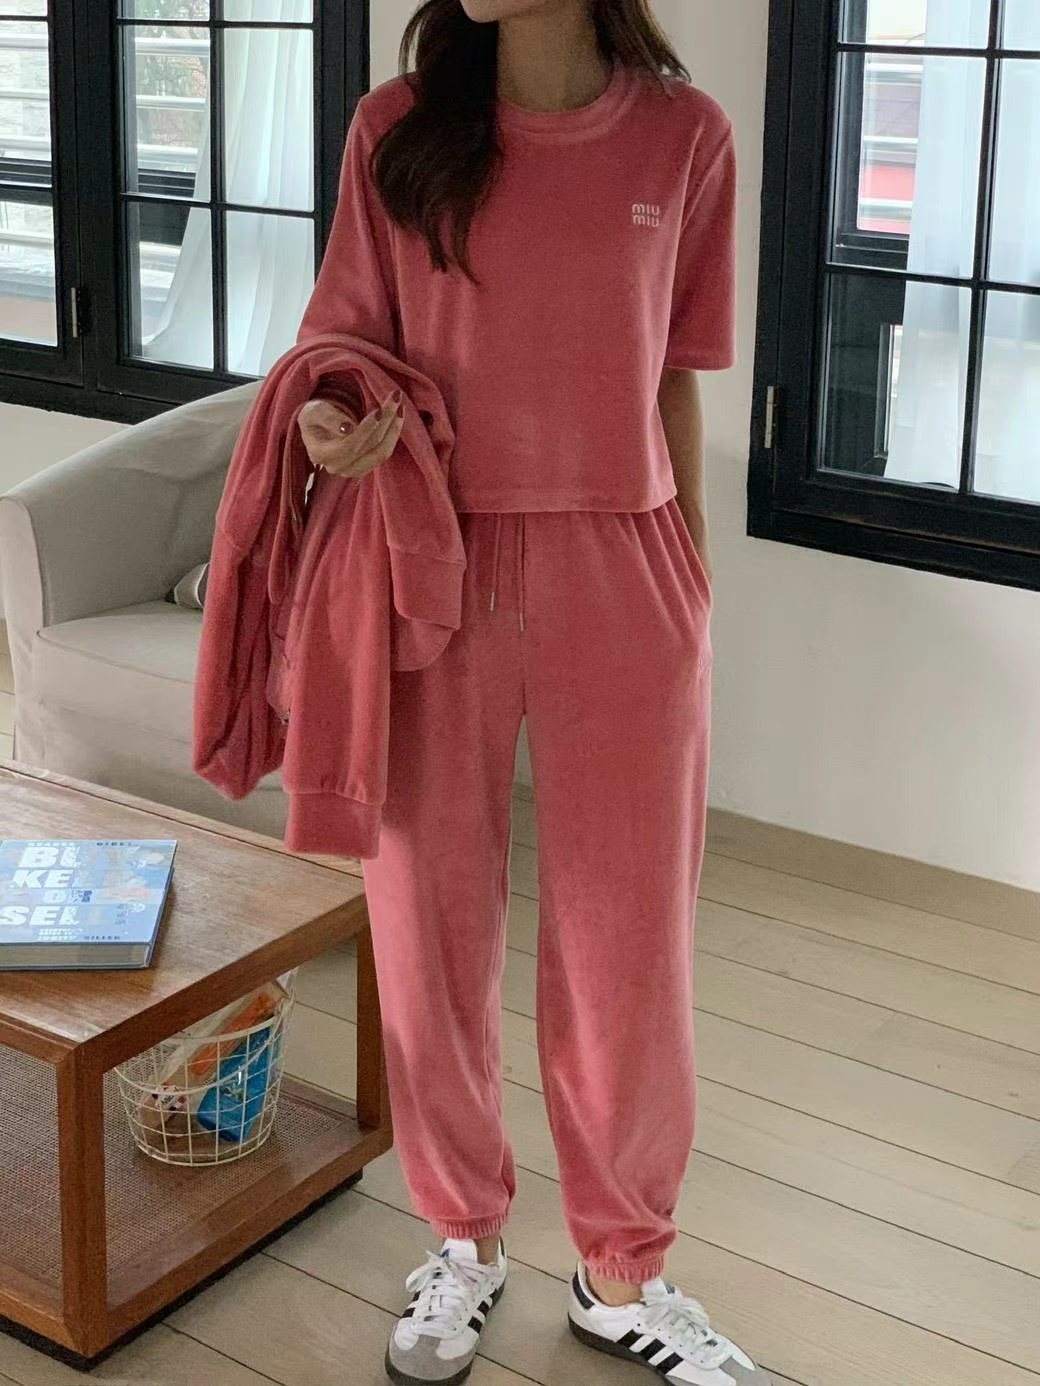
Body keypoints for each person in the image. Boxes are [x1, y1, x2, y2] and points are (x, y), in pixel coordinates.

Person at [295, 2, 764, 1383]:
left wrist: (690, 582)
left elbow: (676, 378)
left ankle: (623, 1271)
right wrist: (325, 421)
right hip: (429, 551)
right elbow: (340, 347)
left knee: (629, 936)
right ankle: (463, 1237)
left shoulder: (686, 137)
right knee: (424, 912)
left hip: (626, 557)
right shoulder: (397, 130)